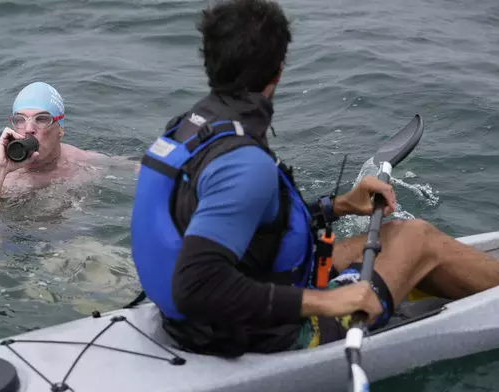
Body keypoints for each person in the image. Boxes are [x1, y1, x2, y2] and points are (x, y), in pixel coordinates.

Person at [129, 0, 499, 357]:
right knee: (417, 238)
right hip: (258, 335)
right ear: (278, 71)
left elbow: (235, 221)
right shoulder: (244, 163)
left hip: (195, 324)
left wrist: (337, 206)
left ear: (209, 62)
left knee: (391, 241)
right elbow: (197, 285)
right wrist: (328, 300)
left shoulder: (185, 131)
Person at [0, 81, 138, 211]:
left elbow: (139, 169)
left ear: (60, 129)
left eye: (42, 119)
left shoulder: (83, 162)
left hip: (65, 247)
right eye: (20, 120)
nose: (29, 129)